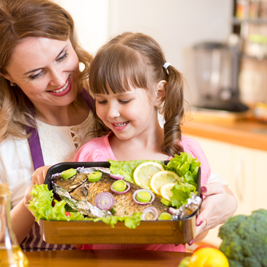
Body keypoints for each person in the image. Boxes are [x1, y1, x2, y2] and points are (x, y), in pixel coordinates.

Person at [71, 32, 238, 251]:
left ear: (159, 93)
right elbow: (73, 235)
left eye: (124, 100)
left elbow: (197, 232)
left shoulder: (186, 154)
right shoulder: (90, 156)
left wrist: (199, 222)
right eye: (101, 100)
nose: (111, 112)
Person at [0, 0, 96, 256]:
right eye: (36, 74)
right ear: (4, 73)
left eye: (62, 56)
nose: (59, 80)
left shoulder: (113, 104)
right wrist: (30, 203)